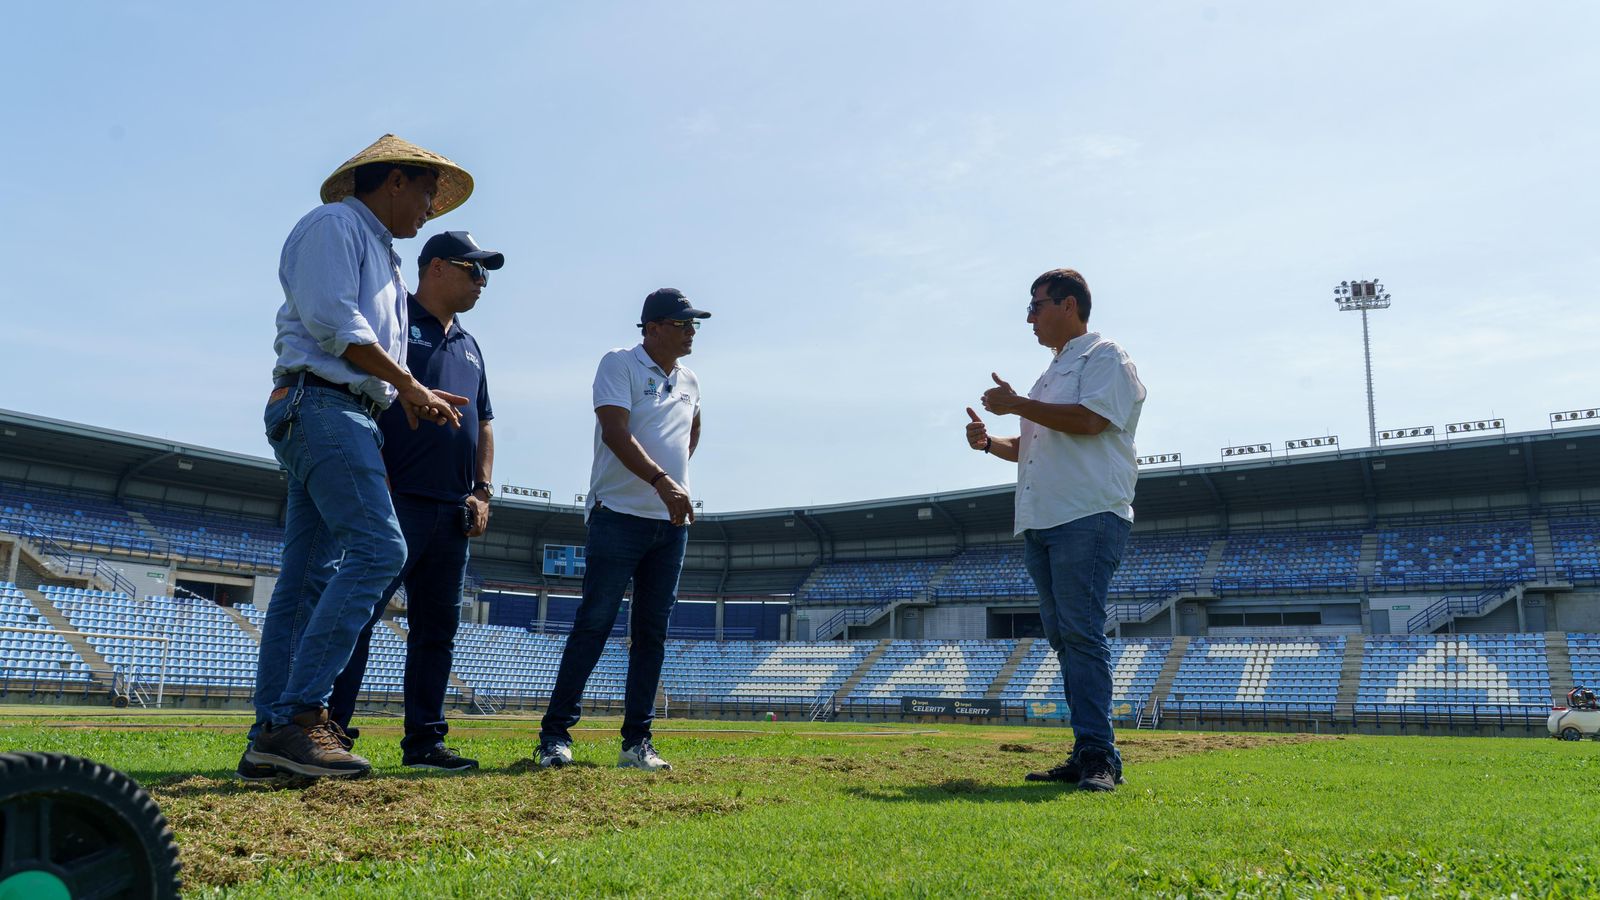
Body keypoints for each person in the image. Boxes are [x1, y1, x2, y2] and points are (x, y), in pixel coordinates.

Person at [240, 135, 475, 781]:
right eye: (426, 192)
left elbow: (365, 349)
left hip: (342, 408)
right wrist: (409, 385)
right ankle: (301, 713)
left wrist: (399, 396)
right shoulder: (335, 226)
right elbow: (334, 324)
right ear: (394, 180)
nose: (430, 207)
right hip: (321, 405)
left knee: (307, 579)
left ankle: (271, 734)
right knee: (379, 550)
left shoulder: (384, 256)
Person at [327, 230, 505, 773]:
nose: (482, 282)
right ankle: (330, 732)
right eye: (475, 270)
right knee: (358, 617)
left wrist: (482, 489)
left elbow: (484, 421)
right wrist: (373, 475)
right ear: (436, 268)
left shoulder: (470, 344)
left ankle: (425, 741)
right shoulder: (395, 325)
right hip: (394, 498)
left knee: (437, 632)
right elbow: (361, 398)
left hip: (452, 509)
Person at [965, 268, 1146, 792]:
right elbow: (1034, 445)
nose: (1029, 318)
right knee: (1066, 638)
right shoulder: (1051, 375)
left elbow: (1091, 421)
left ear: (1069, 305)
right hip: (1044, 519)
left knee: (1081, 634)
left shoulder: (1105, 356)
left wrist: (1019, 405)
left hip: (1086, 513)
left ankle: (1099, 756)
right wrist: (989, 442)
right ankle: (1087, 748)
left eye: (1036, 305)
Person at [535, 288, 709, 772]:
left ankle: (637, 742)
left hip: (669, 525)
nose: (691, 331)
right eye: (682, 323)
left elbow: (692, 430)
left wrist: (672, 483)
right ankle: (555, 736)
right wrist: (662, 480)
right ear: (652, 328)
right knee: (593, 624)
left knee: (652, 634)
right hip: (617, 515)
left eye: (693, 324)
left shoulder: (690, 380)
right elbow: (615, 431)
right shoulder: (619, 363)